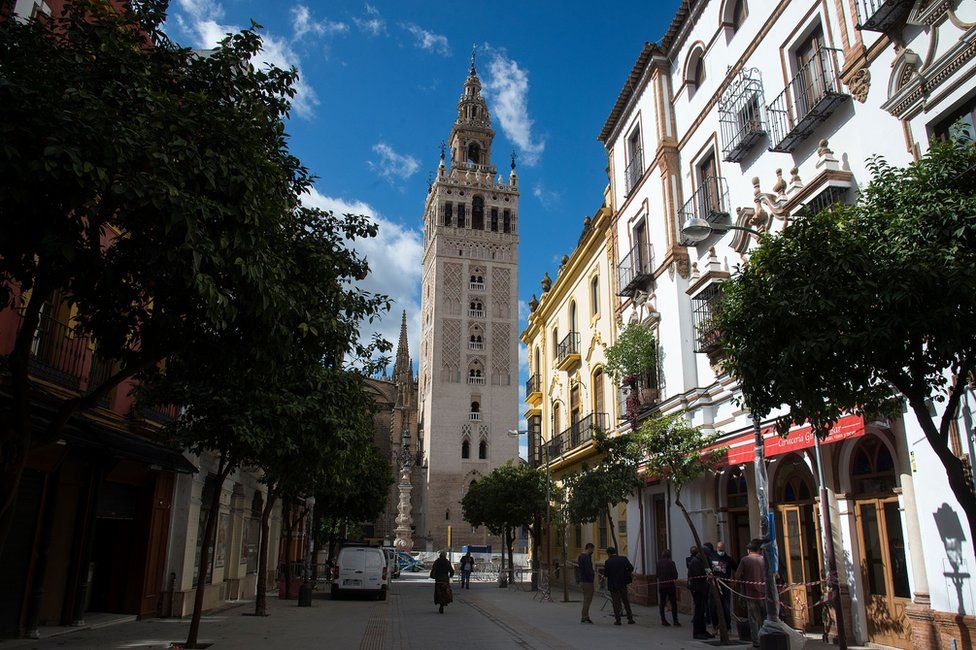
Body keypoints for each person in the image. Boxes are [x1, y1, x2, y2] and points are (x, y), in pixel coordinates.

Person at [735, 538, 767, 648]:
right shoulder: (765, 560)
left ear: (749, 550)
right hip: (765, 594)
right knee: (765, 618)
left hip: (751, 594)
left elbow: (737, 576)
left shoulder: (745, 560)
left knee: (753, 619)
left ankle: (756, 641)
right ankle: (766, 639)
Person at [601, 547, 635, 625]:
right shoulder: (623, 559)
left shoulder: (608, 562)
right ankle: (630, 618)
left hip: (613, 585)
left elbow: (606, 574)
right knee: (625, 601)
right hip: (623, 583)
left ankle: (618, 620)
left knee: (616, 602)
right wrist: (626, 574)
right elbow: (631, 568)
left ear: (608, 553)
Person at [687, 546, 713, 640]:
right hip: (697, 589)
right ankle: (697, 632)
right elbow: (698, 576)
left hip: (702, 588)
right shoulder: (695, 562)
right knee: (699, 611)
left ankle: (702, 630)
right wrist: (707, 576)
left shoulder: (702, 561)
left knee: (702, 611)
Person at [711, 541, 738, 633]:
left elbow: (737, 569)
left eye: (722, 549)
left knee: (726, 607)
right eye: (719, 549)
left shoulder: (729, 559)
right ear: (717, 548)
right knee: (714, 607)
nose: (721, 551)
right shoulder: (712, 557)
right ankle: (715, 625)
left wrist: (734, 581)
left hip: (725, 585)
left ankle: (727, 626)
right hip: (714, 586)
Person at [656, 549, 680, 627]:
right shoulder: (671, 563)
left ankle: (663, 620)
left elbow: (657, 575)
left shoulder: (658, 563)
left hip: (662, 585)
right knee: (673, 603)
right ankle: (675, 620)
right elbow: (675, 575)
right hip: (670, 586)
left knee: (662, 603)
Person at [576, 543, 596, 624]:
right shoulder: (586, 557)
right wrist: (592, 576)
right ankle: (585, 616)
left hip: (583, 580)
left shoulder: (581, 556)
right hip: (588, 581)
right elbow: (588, 570)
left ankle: (585, 616)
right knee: (588, 599)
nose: (593, 551)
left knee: (586, 598)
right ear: (589, 548)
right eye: (592, 549)